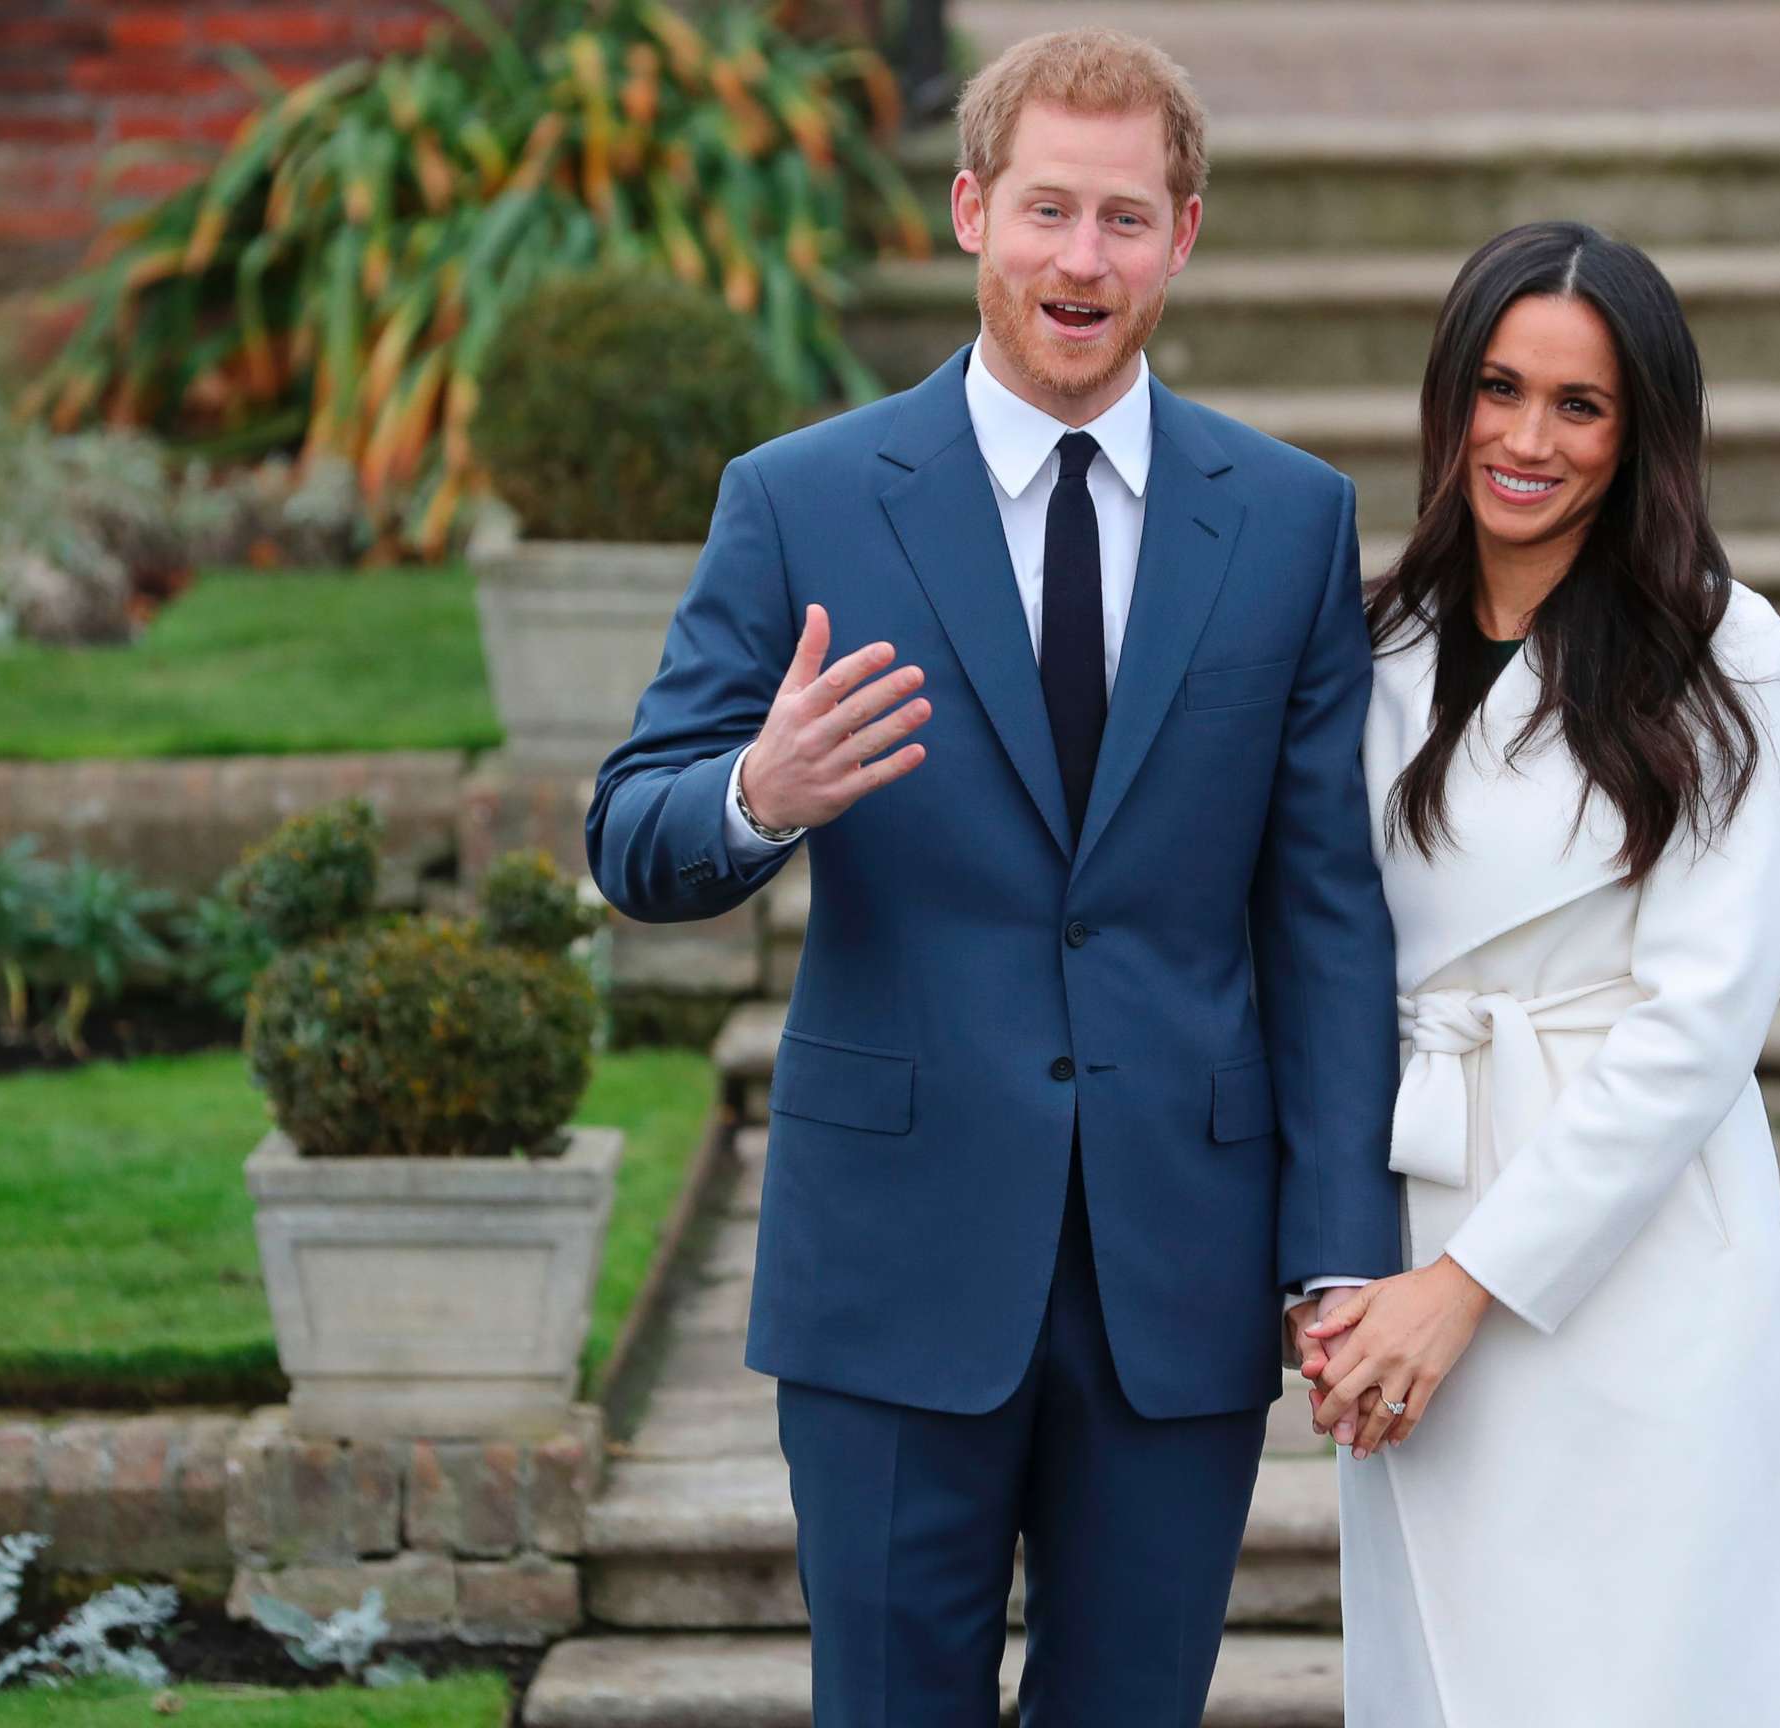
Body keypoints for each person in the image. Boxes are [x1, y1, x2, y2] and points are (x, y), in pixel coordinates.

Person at [585, 28, 1400, 1724]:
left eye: (1122, 218)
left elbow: (1323, 914)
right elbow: (632, 835)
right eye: (1046, 211)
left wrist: (1339, 1248)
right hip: (893, 1264)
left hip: (1176, 1267)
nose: (1079, 262)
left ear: (1184, 235)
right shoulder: (801, 502)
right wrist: (758, 789)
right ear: (972, 213)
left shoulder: (1291, 521)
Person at [1301, 222, 1780, 1726]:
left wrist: (1469, 1284)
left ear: (1641, 432)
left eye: (1579, 406)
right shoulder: (1374, 637)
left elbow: (1700, 1025)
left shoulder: (1719, 648)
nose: (1526, 439)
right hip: (1410, 1227)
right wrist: (1342, 1275)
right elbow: (1315, 951)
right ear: (1450, 398)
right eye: (1499, 389)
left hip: (1628, 1255)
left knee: (1654, 1668)